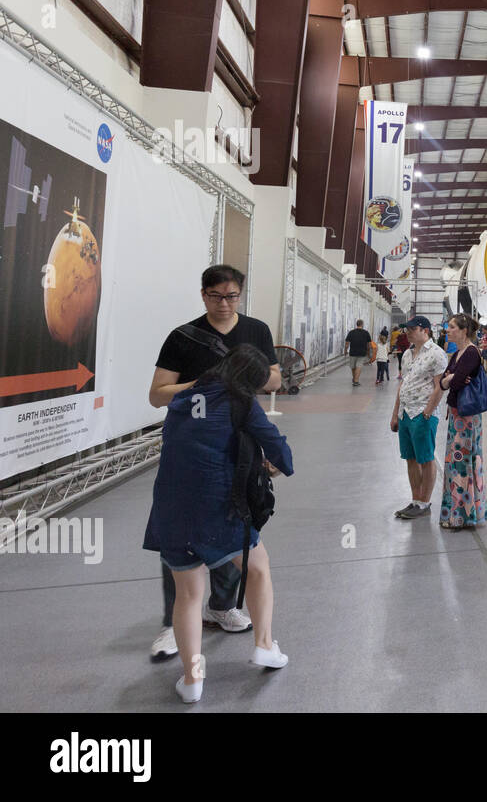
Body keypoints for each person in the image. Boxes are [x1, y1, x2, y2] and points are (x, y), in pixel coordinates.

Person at [143, 345, 294, 703]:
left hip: (171, 509)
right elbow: (277, 448)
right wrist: (278, 465)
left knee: (189, 595)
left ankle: (192, 679)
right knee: (258, 569)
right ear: (250, 382)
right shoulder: (240, 402)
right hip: (218, 509)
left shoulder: (183, 398)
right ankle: (264, 645)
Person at [148, 264, 281, 659]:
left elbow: (275, 380)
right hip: (188, 448)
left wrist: (244, 378)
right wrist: (204, 383)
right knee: (181, 526)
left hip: (238, 443)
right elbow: (157, 394)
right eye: (216, 296)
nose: (224, 304)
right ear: (203, 295)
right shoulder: (183, 337)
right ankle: (173, 623)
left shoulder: (256, 331)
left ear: (241, 294)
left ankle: (222, 605)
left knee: (237, 520)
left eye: (232, 296)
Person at [388, 316, 448, 519]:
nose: (408, 333)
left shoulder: (437, 354)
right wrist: (395, 414)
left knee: (426, 458)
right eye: (407, 329)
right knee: (411, 458)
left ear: (425, 331)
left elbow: (440, 386)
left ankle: (424, 502)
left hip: (422, 413)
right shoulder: (406, 354)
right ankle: (415, 500)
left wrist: (428, 412)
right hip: (405, 413)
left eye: (412, 329)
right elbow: (403, 384)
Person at [437, 314, 487, 529]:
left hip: (467, 417)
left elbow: (455, 381)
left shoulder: (471, 353)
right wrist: (450, 379)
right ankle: (457, 513)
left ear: (464, 331)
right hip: (457, 415)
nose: (448, 330)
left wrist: (451, 379)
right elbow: (444, 382)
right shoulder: (457, 353)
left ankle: (463, 515)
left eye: (452, 327)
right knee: (456, 462)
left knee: (463, 463)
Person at [345, 319, 371, 386]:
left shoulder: (351, 332)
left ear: (357, 324)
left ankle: (355, 379)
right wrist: (368, 353)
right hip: (362, 353)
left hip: (353, 352)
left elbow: (347, 343)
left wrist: (345, 350)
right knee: (358, 366)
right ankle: (356, 380)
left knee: (353, 367)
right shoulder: (366, 333)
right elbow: (369, 344)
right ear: (362, 324)